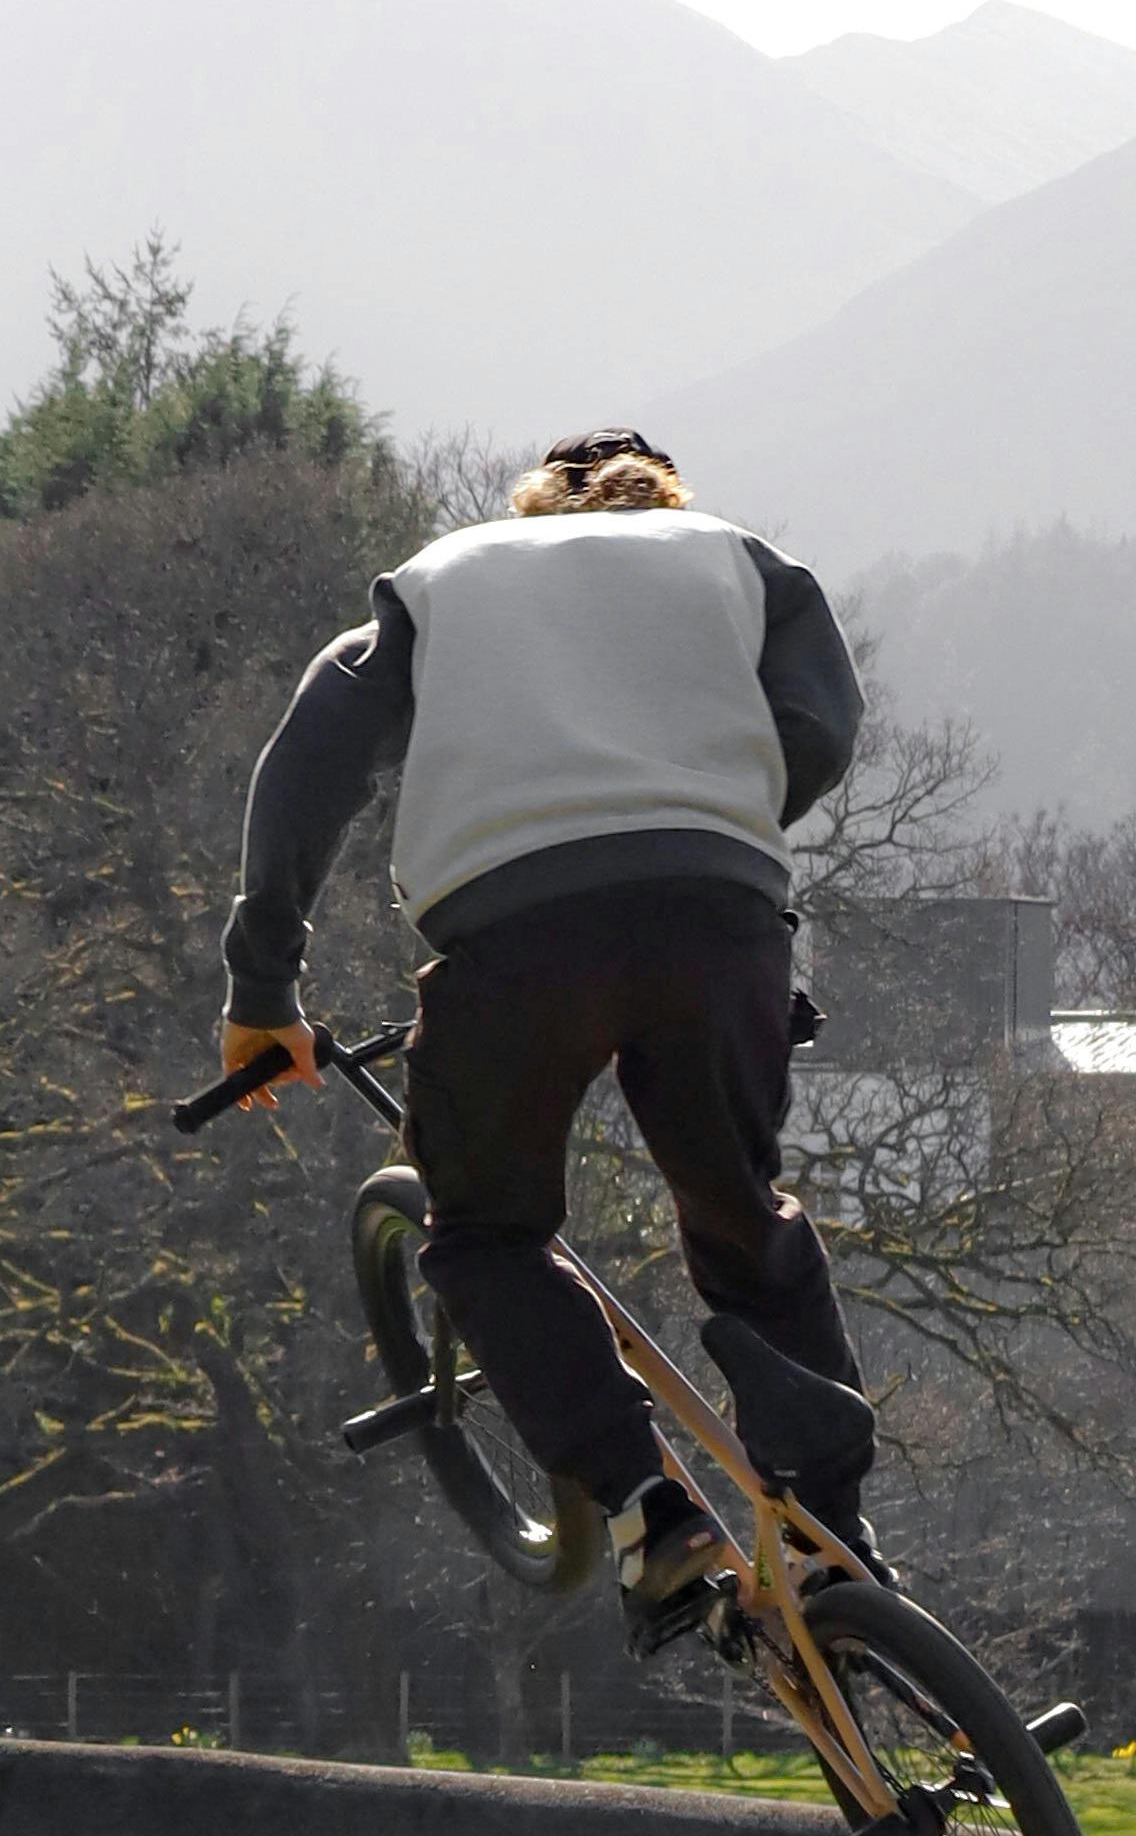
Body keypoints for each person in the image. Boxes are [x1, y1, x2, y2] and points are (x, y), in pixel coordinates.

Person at [218, 428, 878, 1639]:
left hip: (515, 935)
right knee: (741, 1214)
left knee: (484, 1232)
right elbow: (822, 726)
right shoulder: (738, 560)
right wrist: (707, 820)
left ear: (533, 509)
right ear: (665, 499)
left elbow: (312, 759)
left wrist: (262, 988)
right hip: (715, 913)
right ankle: (832, 1518)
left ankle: (647, 1510)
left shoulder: (445, 577)